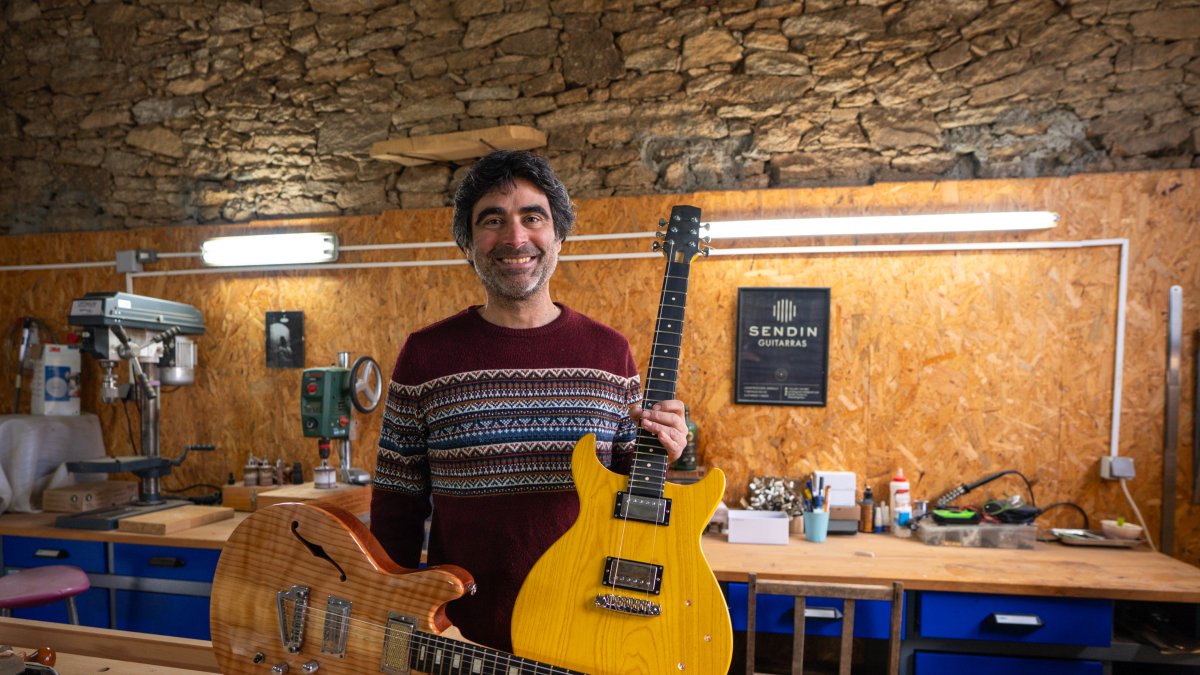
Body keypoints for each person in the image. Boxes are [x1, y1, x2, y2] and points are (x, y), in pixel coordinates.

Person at [370, 150, 688, 653]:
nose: (515, 238)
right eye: (492, 220)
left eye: (532, 217)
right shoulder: (426, 355)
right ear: (467, 246)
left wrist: (665, 453)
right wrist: (397, 623)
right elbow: (396, 509)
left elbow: (631, 499)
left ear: (558, 236)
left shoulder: (610, 353)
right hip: (464, 636)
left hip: (587, 628)